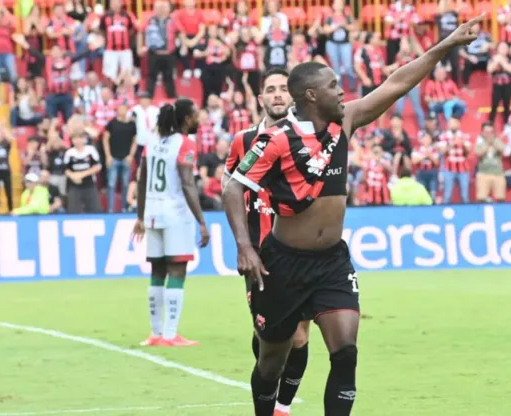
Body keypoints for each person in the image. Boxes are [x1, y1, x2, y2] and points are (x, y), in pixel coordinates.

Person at [223, 16, 481, 416]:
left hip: (332, 262)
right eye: (332, 86)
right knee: (271, 361)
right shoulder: (275, 141)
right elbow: (232, 186)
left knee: (345, 353)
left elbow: (396, 84)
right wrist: (245, 247)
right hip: (283, 264)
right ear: (310, 95)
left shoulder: (345, 121)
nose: (341, 90)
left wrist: (446, 44)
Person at [222, 67, 310, 416]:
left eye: (283, 89)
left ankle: (282, 408)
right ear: (260, 98)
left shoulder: (307, 137)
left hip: (301, 254)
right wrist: (243, 245)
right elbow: (230, 189)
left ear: (293, 96)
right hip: (260, 256)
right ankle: (267, 397)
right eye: (270, 89)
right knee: (268, 339)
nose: (277, 95)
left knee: (300, 337)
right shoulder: (243, 140)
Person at [131, 99, 210, 347]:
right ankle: (170, 334)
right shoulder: (185, 143)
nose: (199, 118)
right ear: (187, 119)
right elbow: (187, 183)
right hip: (175, 214)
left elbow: (142, 180)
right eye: (196, 114)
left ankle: (155, 334)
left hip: (152, 213)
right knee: (177, 270)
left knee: (157, 272)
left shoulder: (150, 143)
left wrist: (140, 216)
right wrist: (201, 221)